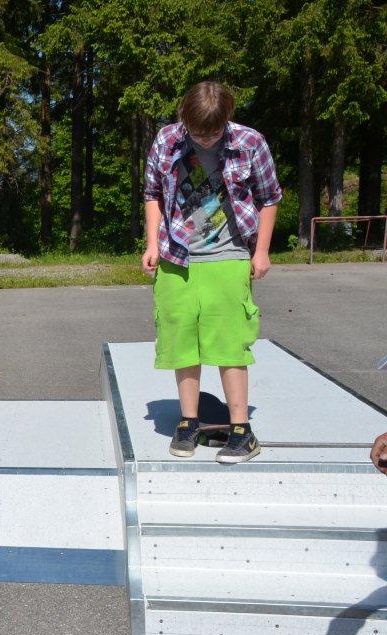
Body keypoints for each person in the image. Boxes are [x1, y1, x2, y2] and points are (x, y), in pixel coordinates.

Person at [141, 81, 282, 464]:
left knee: (229, 342)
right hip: (177, 257)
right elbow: (152, 193)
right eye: (197, 132)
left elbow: (270, 197)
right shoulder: (167, 140)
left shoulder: (250, 143)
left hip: (229, 255)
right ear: (183, 119)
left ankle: (241, 430)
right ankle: (189, 422)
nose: (205, 140)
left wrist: (262, 251)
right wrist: (152, 244)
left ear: (227, 119)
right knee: (181, 341)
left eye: (213, 133)